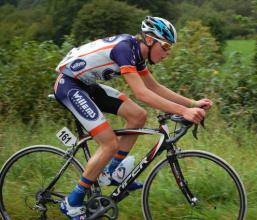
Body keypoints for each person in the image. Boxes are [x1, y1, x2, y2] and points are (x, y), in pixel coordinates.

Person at [54, 16, 213, 219]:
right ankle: (72, 202)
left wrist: (191, 103)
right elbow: (142, 94)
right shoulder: (125, 49)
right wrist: (184, 112)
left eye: (169, 48)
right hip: (70, 86)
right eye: (165, 46)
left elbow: (154, 87)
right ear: (148, 39)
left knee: (138, 116)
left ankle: (110, 173)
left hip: (88, 86)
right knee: (109, 144)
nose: (167, 53)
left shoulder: (137, 53)